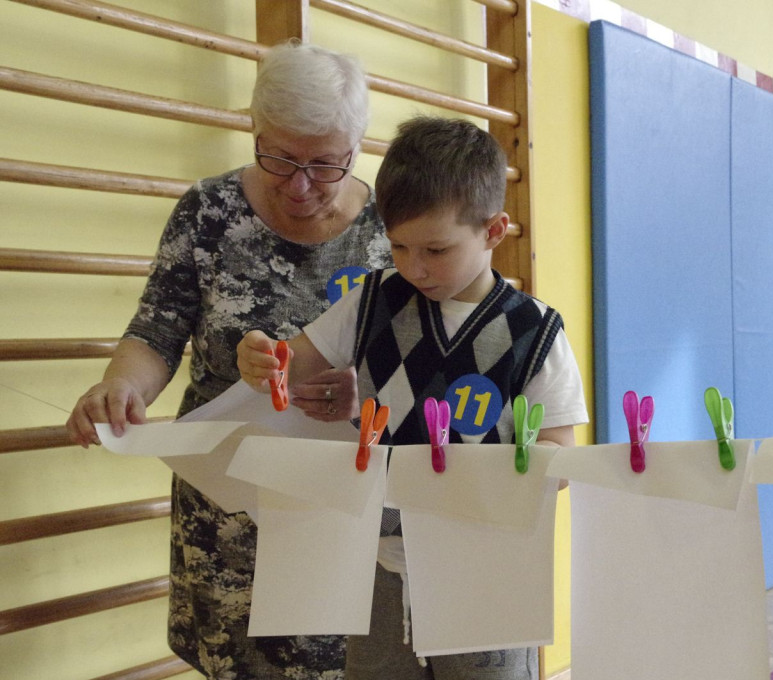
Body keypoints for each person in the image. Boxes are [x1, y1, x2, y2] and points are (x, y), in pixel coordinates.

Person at [65, 42, 392, 679]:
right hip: (227, 502)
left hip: (337, 503)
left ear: (357, 148)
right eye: (279, 157)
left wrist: (359, 390)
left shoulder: (389, 233)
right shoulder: (210, 211)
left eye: (325, 165)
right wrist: (119, 386)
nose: (299, 185)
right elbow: (157, 329)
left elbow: (415, 368)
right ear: (254, 129)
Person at [236, 116, 588, 679]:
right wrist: (257, 354)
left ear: (494, 231)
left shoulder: (535, 330)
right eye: (398, 246)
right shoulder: (373, 299)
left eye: (436, 249)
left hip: (487, 572)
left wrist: (493, 476)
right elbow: (288, 361)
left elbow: (559, 454)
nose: (414, 267)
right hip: (381, 566)